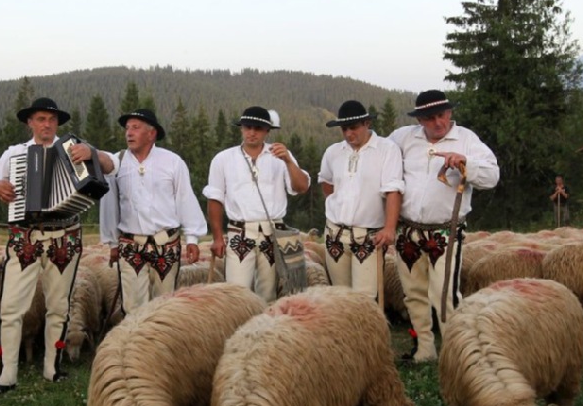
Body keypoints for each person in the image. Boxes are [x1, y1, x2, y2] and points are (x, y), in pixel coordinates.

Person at [0, 97, 115, 394]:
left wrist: (93, 152)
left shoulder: (75, 150)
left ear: (58, 124)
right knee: (11, 307)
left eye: (51, 119)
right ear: (30, 123)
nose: (47, 124)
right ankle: (7, 374)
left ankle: (53, 366)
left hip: (64, 236)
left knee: (59, 305)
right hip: (26, 236)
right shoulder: (15, 154)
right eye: (40, 119)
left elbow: (111, 165)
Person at [389, 90, 499, 362]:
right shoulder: (402, 138)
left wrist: (465, 163)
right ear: (420, 120)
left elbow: (492, 176)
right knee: (413, 293)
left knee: (444, 293)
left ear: (450, 113)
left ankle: (456, 352)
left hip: (445, 231)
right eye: (429, 118)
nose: (437, 123)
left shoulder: (466, 139)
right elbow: (381, 159)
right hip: (408, 230)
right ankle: (424, 350)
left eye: (441, 115)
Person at [100, 109, 207, 315]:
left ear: (152, 133)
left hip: (165, 244)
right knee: (132, 308)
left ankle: (160, 345)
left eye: (136, 128)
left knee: (164, 306)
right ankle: (134, 346)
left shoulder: (173, 162)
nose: (129, 133)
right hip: (131, 245)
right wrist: (112, 242)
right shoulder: (117, 162)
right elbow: (109, 203)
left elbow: (185, 199)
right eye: (127, 128)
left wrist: (192, 237)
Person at [204, 106, 310, 302]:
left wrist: (288, 161)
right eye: (247, 127)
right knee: (236, 294)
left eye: (258, 128)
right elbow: (215, 199)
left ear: (267, 131)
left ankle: (264, 331)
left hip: (272, 233)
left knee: (268, 293)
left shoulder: (281, 156)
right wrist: (217, 237)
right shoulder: (223, 159)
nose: (252, 132)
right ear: (241, 128)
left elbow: (301, 186)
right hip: (239, 232)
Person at [319, 100, 403, 301]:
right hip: (335, 234)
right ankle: (344, 333)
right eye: (344, 129)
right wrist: (336, 204)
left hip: (369, 236)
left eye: (354, 128)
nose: (349, 134)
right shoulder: (333, 152)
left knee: (365, 299)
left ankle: (367, 333)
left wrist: (390, 228)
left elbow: (393, 190)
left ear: (367, 123)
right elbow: (326, 182)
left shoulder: (387, 149)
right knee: (340, 297)